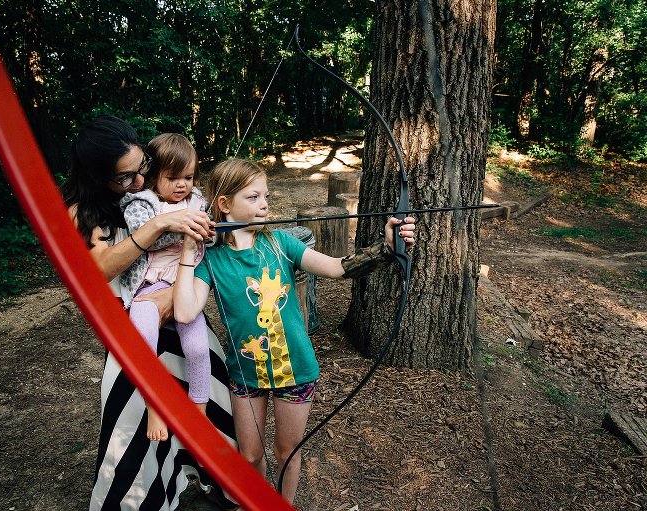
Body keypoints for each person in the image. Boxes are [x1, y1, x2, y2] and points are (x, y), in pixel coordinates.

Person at [173, 158, 416, 504]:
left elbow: (337, 268)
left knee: (287, 451)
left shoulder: (280, 243)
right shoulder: (211, 259)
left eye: (266, 196)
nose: (264, 204)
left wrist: (387, 248)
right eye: (253, 197)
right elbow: (184, 311)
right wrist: (187, 248)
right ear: (224, 204)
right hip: (246, 373)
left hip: (296, 370)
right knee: (250, 455)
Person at [61, 116, 236, 511]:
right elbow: (100, 269)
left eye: (142, 168)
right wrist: (157, 226)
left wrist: (176, 291)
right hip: (134, 329)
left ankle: (220, 487)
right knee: (137, 426)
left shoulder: (161, 192)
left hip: (182, 311)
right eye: (124, 178)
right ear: (98, 177)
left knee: (210, 399)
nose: (139, 181)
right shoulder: (82, 211)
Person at [119, 133, 210, 442]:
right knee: (143, 338)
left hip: (184, 287)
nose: (182, 184)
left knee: (198, 347)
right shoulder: (140, 203)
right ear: (153, 176)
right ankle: (155, 405)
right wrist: (186, 229)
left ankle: (200, 409)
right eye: (172, 178)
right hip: (147, 287)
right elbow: (146, 239)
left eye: (188, 176)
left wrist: (207, 230)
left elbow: (211, 233)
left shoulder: (197, 200)